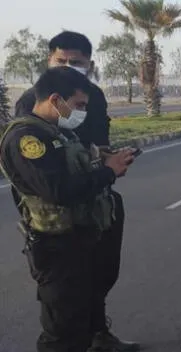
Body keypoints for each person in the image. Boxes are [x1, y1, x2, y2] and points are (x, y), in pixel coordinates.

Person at [13, 31, 139, 351]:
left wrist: (106, 160)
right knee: (64, 316)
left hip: (89, 204)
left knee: (96, 279)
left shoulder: (88, 98)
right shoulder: (31, 118)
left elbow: (93, 145)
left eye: (78, 62)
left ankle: (98, 334)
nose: (70, 66)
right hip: (58, 222)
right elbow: (51, 184)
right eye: (62, 60)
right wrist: (106, 172)